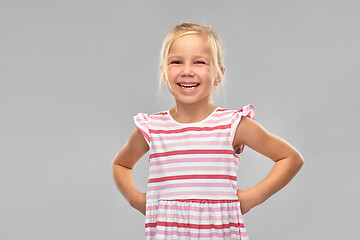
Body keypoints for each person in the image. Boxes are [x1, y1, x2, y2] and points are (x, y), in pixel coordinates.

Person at [111, 22, 304, 240]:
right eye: (176, 62)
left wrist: (252, 197)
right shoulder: (152, 128)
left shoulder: (232, 125)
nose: (187, 71)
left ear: (219, 74)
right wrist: (135, 199)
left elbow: (290, 158)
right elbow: (121, 164)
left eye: (199, 62)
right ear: (164, 72)